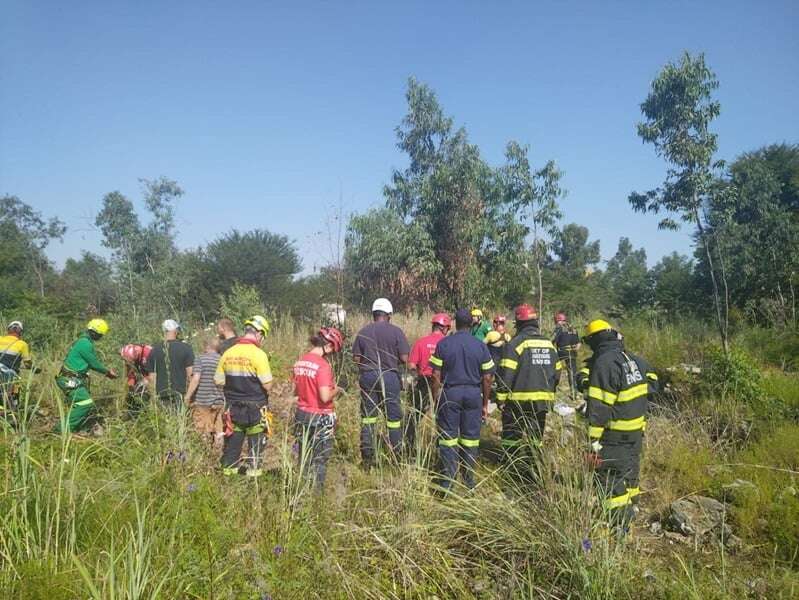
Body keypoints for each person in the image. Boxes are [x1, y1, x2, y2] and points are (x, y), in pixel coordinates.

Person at [581, 319, 658, 528]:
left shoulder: (605, 364)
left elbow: (598, 411)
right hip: (635, 433)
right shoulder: (636, 361)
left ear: (594, 341)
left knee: (608, 479)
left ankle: (621, 526)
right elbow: (653, 383)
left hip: (614, 437)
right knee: (630, 473)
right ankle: (633, 506)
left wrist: (592, 444)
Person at [429, 309, 495, 491]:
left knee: (448, 438)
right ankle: (469, 482)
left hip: (450, 393)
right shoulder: (480, 345)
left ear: (456, 323)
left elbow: (435, 375)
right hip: (473, 394)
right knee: (470, 439)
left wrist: (436, 400)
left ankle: (447, 482)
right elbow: (488, 377)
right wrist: (484, 403)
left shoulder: (444, 344)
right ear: (472, 323)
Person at [496, 304, 561, 469]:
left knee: (512, 435)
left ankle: (511, 468)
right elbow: (558, 372)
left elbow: (506, 375)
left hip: (518, 401)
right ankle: (533, 467)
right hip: (542, 402)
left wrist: (501, 399)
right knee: (535, 437)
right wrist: (549, 393)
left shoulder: (515, 344)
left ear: (519, 323)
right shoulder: (549, 345)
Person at [352, 298, 410, 466]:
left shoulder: (363, 332)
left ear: (374, 314)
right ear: (389, 315)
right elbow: (405, 358)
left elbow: (356, 358)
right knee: (393, 418)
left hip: (368, 376)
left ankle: (367, 458)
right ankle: (397, 456)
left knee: (368, 418)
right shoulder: (396, 332)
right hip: (390, 376)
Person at [214, 315, 273, 477]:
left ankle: (228, 480)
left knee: (232, 448)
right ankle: (253, 485)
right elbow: (268, 385)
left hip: (233, 409)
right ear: (259, 333)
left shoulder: (228, 353)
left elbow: (218, 381)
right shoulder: (259, 354)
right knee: (255, 450)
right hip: (256, 409)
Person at [292, 327, 344, 491]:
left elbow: (296, 391)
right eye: (332, 351)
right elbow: (325, 396)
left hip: (302, 414)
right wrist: (339, 388)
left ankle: (302, 490)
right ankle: (316, 495)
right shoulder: (322, 366)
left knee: (304, 457)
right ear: (328, 345)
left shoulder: (300, 361)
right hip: (321, 417)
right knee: (320, 458)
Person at [55, 319, 118, 433]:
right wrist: (108, 372)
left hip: (72, 378)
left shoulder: (83, 341)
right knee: (86, 403)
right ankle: (62, 430)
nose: (101, 337)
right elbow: (94, 364)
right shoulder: (85, 344)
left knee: (82, 403)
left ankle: (78, 427)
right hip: (68, 379)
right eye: (100, 335)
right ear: (94, 333)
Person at [405, 313, 451, 452]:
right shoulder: (448, 344)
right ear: (445, 328)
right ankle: (440, 450)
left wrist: (415, 376)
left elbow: (411, 365)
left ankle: (409, 448)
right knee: (443, 420)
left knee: (414, 418)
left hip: (423, 383)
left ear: (433, 326)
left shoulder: (421, 342)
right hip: (442, 384)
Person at [185, 335, 225, 449]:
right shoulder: (222, 359)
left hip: (202, 400)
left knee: (203, 430)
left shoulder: (200, 359)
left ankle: (205, 454)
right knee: (218, 428)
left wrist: (188, 396)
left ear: (208, 347)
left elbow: (196, 378)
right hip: (219, 401)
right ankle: (219, 453)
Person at [146, 319, 194, 410]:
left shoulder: (154, 351)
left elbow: (152, 378)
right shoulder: (186, 348)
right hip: (181, 394)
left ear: (163, 331)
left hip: (162, 396)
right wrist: (189, 396)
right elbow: (190, 374)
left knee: (165, 422)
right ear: (176, 331)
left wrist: (153, 398)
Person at [0, 321, 33, 422]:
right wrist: (31, 367)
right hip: (9, 375)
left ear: (8, 330)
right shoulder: (22, 344)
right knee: (13, 396)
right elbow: (28, 363)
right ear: (20, 332)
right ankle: (11, 419)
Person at [552, 312, 581, 400]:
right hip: (572, 353)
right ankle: (574, 394)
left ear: (558, 320)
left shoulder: (559, 328)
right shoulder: (573, 328)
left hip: (562, 353)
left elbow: (552, 339)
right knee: (572, 374)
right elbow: (578, 343)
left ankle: (552, 391)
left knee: (553, 371)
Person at [120, 343, 152, 417]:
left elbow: (156, 372)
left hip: (155, 377)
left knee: (142, 391)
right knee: (133, 394)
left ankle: (144, 414)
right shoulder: (129, 356)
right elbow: (131, 375)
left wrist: (147, 381)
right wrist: (131, 387)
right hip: (146, 377)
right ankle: (134, 414)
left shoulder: (149, 353)